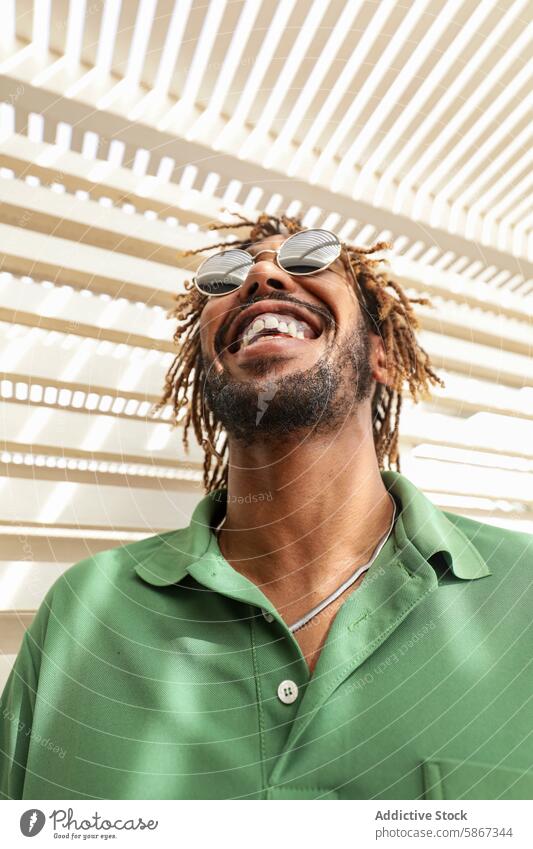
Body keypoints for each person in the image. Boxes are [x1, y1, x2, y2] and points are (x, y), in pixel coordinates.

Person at [1, 213, 531, 800]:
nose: (260, 276)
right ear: (205, 368)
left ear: (380, 355)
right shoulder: (81, 615)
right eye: (224, 278)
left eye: (309, 261)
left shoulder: (525, 593)